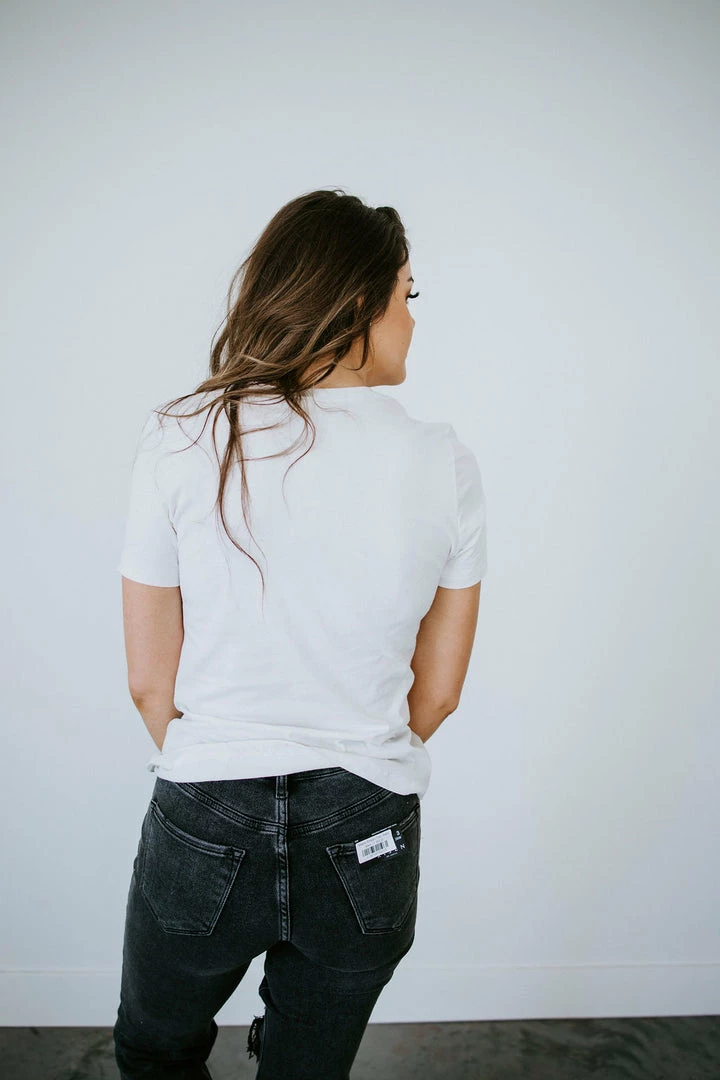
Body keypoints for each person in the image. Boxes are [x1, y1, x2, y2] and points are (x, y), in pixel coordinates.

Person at [112, 187, 488, 1079]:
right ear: (359, 302)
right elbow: (438, 694)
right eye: (406, 294)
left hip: (206, 805)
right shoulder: (443, 462)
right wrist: (350, 766)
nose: (412, 317)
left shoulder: (183, 435)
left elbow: (148, 682)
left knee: (157, 1050)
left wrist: (224, 778)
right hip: (367, 820)